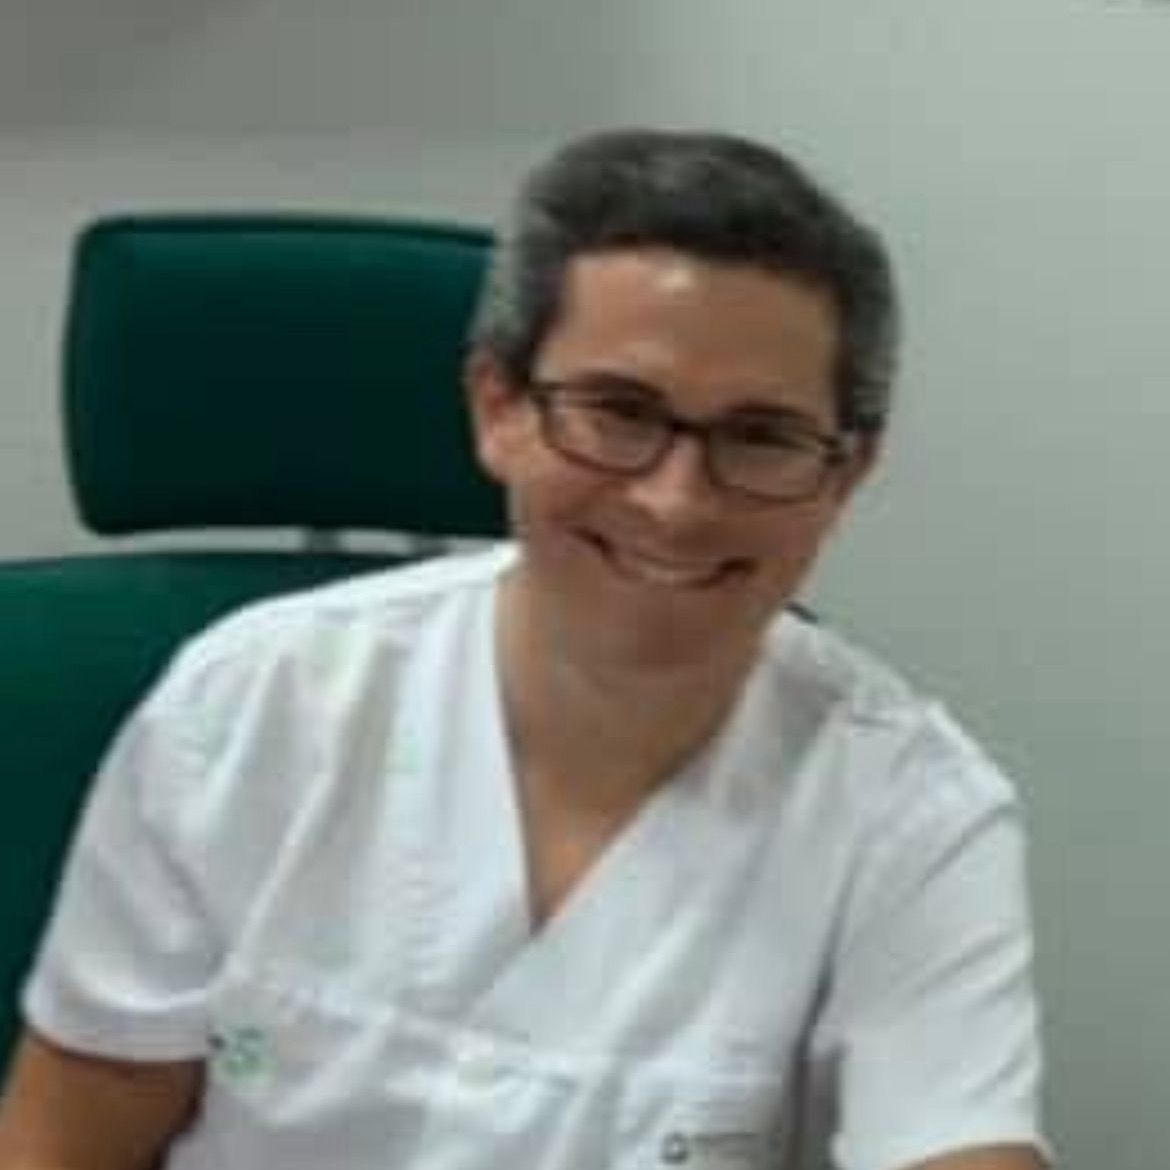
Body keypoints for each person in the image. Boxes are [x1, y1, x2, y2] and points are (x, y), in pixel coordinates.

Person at [0, 129, 1051, 1170]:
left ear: (846, 474)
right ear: (497, 408)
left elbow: (959, 1141)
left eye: (761, 436)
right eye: (619, 412)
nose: (676, 502)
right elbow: (68, 1136)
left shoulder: (909, 810)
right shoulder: (250, 703)